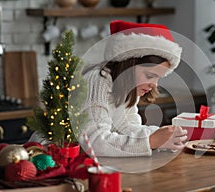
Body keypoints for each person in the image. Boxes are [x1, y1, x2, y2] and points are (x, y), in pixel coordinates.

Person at [80, 20, 187, 157]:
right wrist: (150, 141)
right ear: (129, 67)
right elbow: (95, 142)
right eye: (149, 75)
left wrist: (160, 136)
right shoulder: (98, 79)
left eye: (158, 78)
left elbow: (127, 128)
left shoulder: (129, 88)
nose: (154, 84)